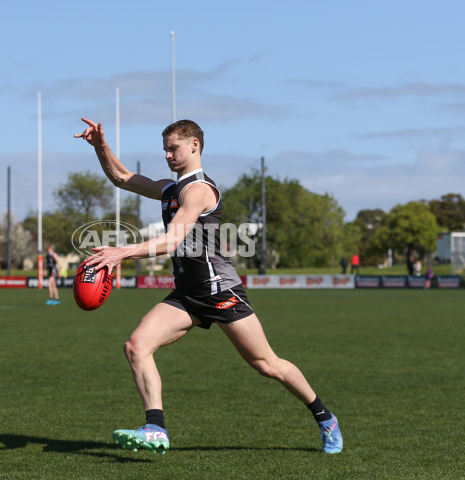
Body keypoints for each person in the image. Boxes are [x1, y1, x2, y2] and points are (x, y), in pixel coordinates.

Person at [74, 117, 343, 455]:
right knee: (136, 346)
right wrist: (100, 145)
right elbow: (122, 177)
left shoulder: (199, 189)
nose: (168, 156)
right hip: (186, 294)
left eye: (173, 149)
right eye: (165, 150)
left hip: (219, 291)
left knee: (266, 364)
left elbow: (174, 240)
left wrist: (122, 252)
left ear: (194, 145)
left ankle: (325, 418)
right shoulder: (170, 189)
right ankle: (156, 428)